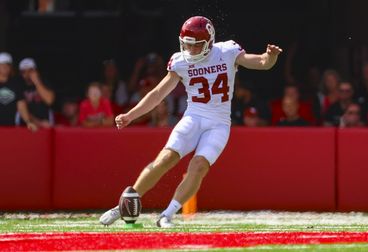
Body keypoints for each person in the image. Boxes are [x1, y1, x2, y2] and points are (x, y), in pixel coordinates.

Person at [99, 16, 282, 228]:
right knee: (165, 159)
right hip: (193, 117)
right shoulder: (180, 61)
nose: (190, 50)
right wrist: (131, 115)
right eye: (187, 45)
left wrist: (270, 57)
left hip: (219, 123)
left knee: (199, 166)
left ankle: (167, 215)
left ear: (210, 41)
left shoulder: (227, 51)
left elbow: (260, 63)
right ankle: (122, 206)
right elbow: (158, 94)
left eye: (196, 46)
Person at [0, 52, 37, 131]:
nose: (5, 67)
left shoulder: (16, 83)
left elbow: (21, 104)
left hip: (11, 127)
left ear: (11, 67)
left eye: (7, 64)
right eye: (2, 64)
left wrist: (28, 122)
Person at [16, 58, 55, 128]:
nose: (27, 74)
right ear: (20, 73)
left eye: (30, 70)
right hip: (26, 125)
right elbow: (20, 108)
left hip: (46, 124)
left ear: (36, 71)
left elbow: (49, 101)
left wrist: (36, 82)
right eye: (24, 71)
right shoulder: (18, 86)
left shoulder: (44, 83)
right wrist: (39, 123)